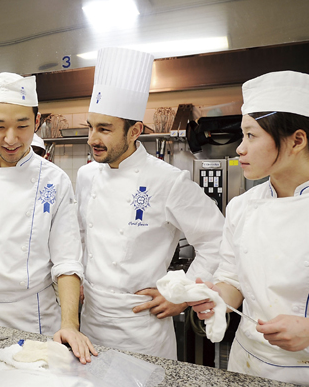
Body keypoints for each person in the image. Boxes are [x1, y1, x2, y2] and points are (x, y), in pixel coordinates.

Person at [189, 71, 309, 386]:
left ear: (297, 140)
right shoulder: (241, 206)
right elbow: (233, 280)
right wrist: (216, 298)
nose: (239, 149)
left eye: (251, 136)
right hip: (248, 368)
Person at [76, 47, 224, 358]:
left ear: (135, 131)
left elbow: (219, 240)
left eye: (104, 129)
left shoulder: (168, 181)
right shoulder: (86, 175)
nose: (92, 139)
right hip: (90, 321)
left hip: (140, 326)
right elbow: (81, 237)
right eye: (90, 127)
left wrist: (182, 295)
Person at [0, 72, 96, 364]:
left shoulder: (55, 181)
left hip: (36, 320)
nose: (10, 139)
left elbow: (67, 260)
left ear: (36, 123)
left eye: (22, 126)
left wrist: (70, 325)